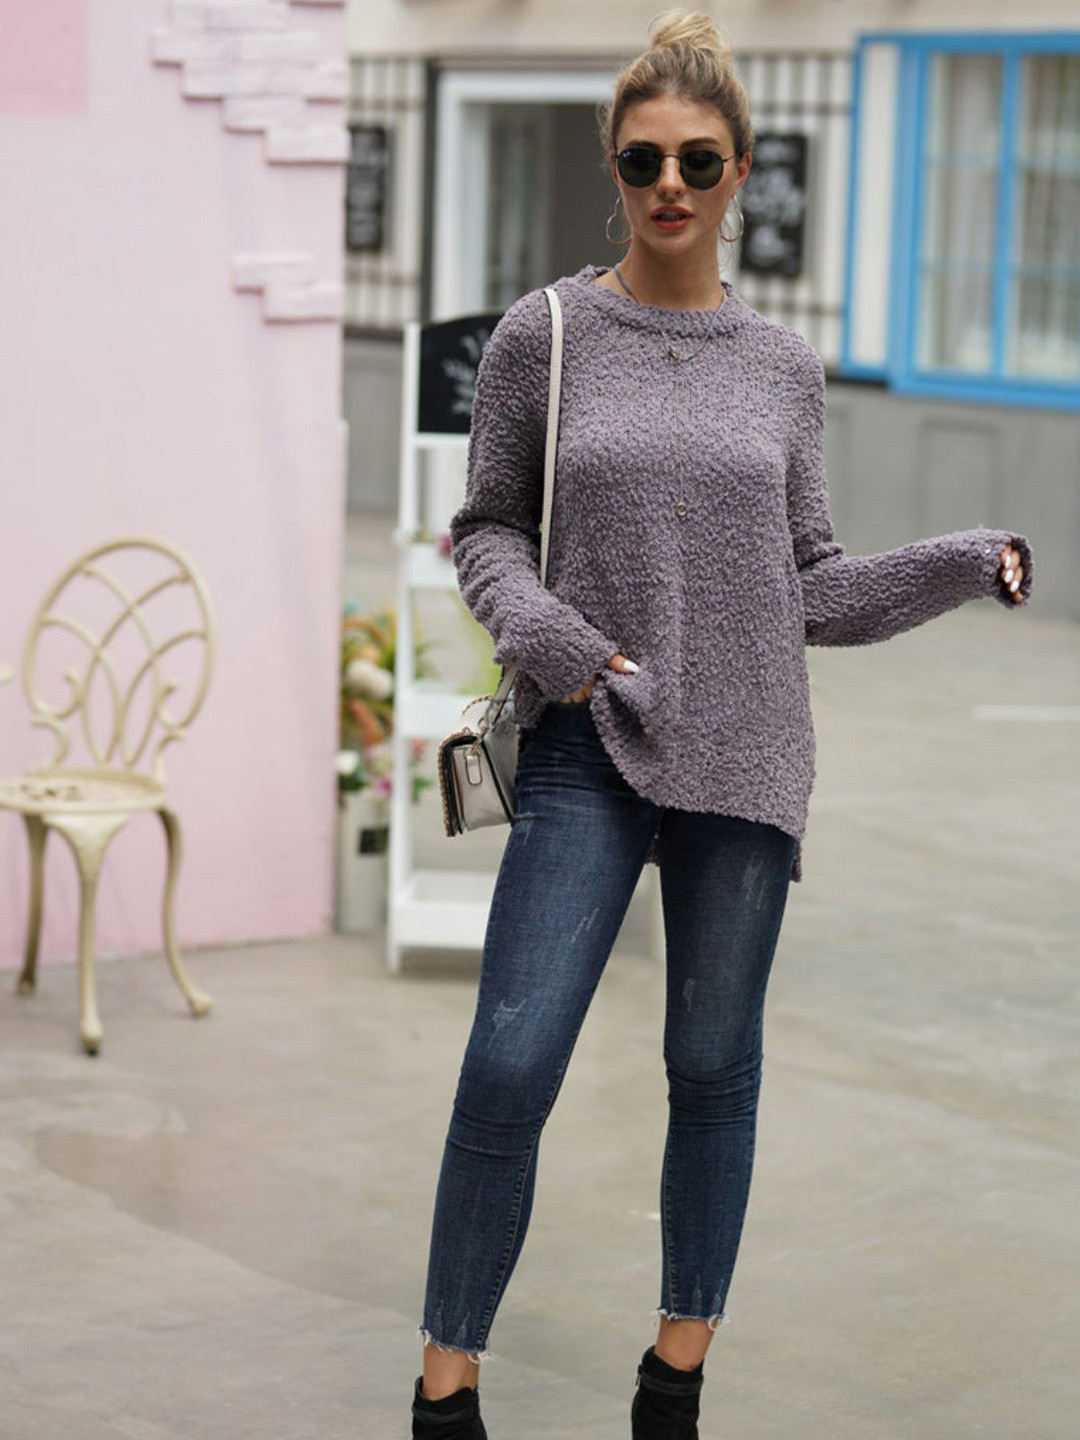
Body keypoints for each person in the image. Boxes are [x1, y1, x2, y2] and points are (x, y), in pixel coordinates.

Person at [410, 10, 1033, 1439]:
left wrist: (957, 561)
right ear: (615, 168)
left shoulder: (784, 367)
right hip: (586, 744)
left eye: (699, 158)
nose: (670, 183)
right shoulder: (544, 335)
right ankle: (446, 1389)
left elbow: (806, 586)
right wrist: (556, 643)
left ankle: (676, 1372)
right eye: (643, 159)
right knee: (511, 1060)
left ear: (742, 167)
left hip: (747, 756)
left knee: (711, 1069)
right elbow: (486, 528)